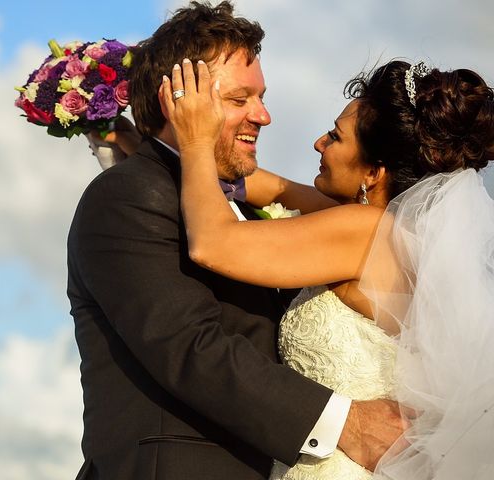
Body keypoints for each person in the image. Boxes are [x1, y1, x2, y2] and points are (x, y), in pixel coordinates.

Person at [67, 2, 404, 479]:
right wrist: (347, 422)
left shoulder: (237, 207)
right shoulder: (124, 196)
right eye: (238, 99)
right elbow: (189, 346)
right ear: (179, 102)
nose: (263, 116)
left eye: (260, 97)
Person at [160, 55, 494, 479]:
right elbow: (269, 187)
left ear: (373, 171)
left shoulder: (361, 230)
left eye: (335, 137)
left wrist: (192, 140)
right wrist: (144, 140)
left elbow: (212, 244)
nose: (319, 143)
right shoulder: (395, 233)